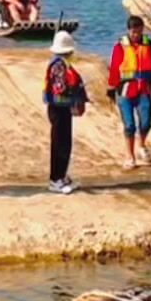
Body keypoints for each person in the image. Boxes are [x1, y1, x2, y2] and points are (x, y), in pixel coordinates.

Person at [107, 15, 151, 168]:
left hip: (144, 89)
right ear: (128, 31)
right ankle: (130, 156)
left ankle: (141, 146)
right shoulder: (120, 47)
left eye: (139, 32)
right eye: (133, 32)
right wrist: (111, 89)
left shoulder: (148, 44)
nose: (136, 35)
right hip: (125, 91)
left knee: (146, 122)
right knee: (129, 125)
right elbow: (114, 69)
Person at [42, 30, 88, 194]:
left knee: (64, 143)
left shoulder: (61, 63)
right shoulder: (59, 66)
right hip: (59, 108)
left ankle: (61, 175)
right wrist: (76, 97)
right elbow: (60, 88)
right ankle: (56, 180)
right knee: (60, 144)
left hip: (62, 109)